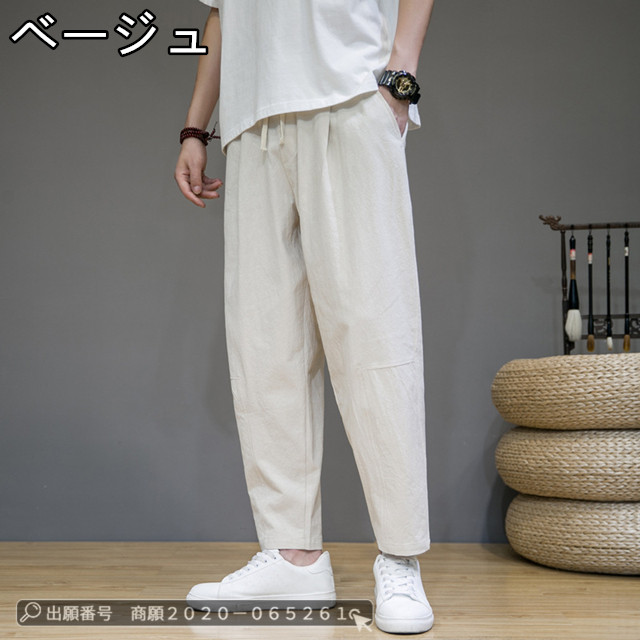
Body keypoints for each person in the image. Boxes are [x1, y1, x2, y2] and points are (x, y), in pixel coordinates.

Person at [174, 0, 435, 634]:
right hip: (251, 123)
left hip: (350, 95)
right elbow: (221, 16)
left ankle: (400, 558)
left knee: (374, 333)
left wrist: (400, 75)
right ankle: (292, 556)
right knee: (266, 346)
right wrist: (195, 129)